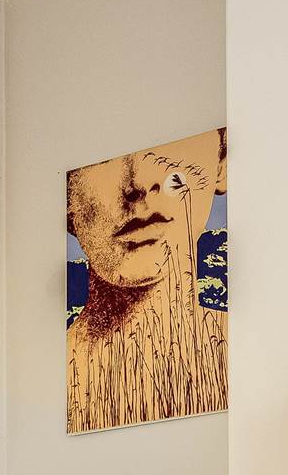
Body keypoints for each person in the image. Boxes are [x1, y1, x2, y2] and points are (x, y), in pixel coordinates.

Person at [66, 128, 226, 433]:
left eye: (175, 140)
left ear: (222, 162)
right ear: (66, 198)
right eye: (104, 160)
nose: (138, 183)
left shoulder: (254, 359)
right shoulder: (43, 384)